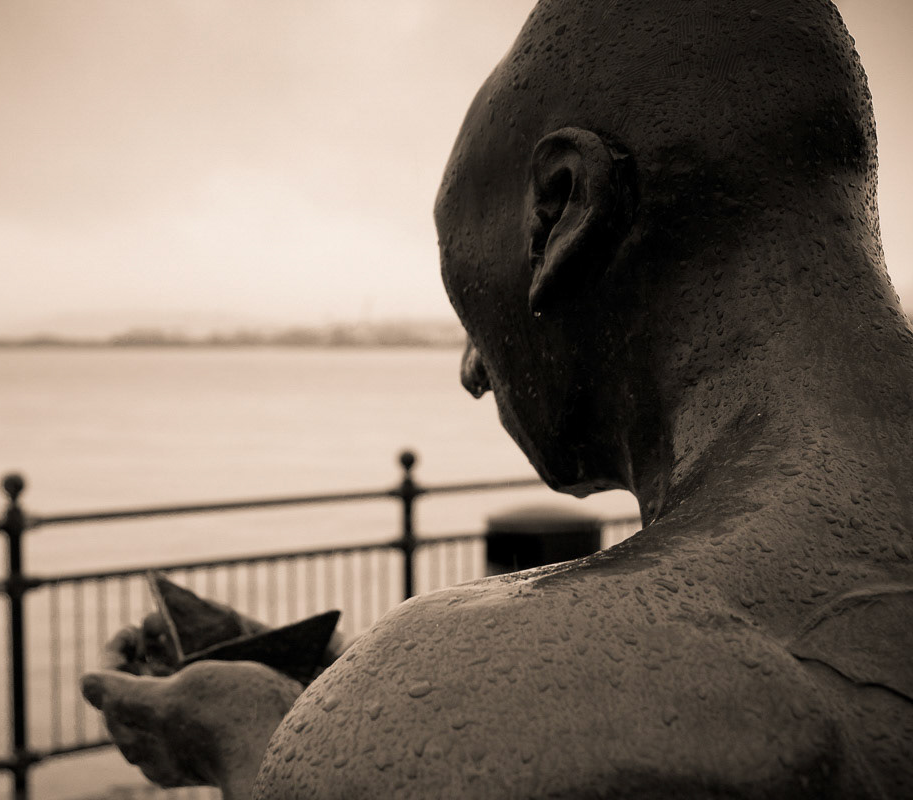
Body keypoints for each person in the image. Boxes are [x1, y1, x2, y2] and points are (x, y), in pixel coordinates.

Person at [83, 0, 913, 796]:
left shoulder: (511, 688)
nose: (474, 369)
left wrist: (251, 740)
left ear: (561, 207)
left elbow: (481, 736)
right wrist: (340, 689)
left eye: (465, 296)